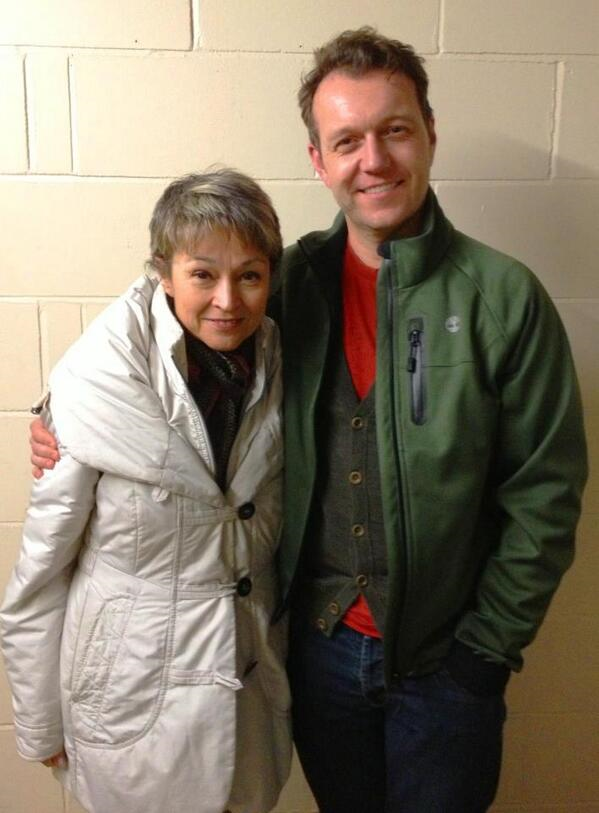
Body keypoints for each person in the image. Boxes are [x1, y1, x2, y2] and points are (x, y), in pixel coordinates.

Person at [29, 27, 588, 813]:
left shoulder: (503, 298)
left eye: (394, 130)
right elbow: (159, 326)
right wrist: (56, 410)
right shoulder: (284, 285)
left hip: (445, 668)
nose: (373, 160)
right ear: (318, 160)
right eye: (347, 141)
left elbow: (545, 494)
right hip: (318, 657)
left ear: (429, 133)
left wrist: (484, 651)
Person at [2, 169, 291, 813]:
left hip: (247, 688)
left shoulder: (279, 356)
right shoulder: (98, 380)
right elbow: (40, 575)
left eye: (249, 275)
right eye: (202, 274)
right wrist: (40, 720)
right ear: (164, 272)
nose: (227, 300)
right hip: (129, 698)